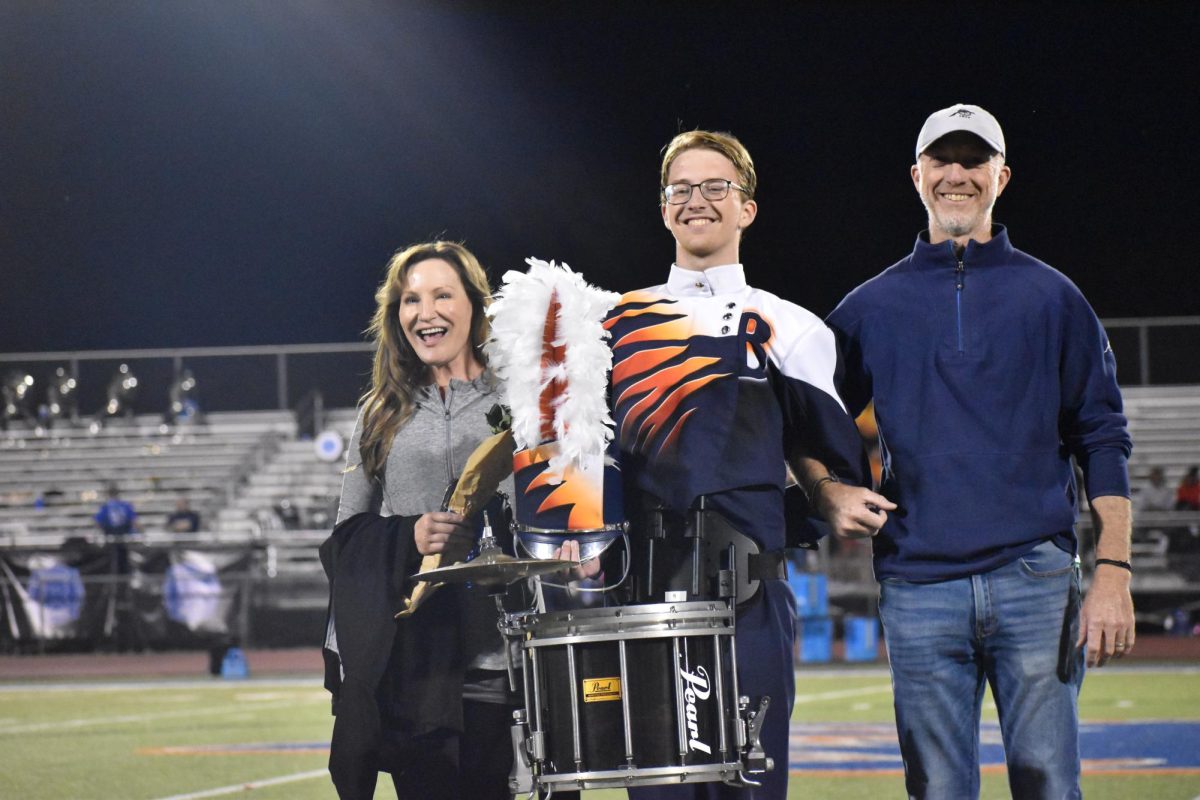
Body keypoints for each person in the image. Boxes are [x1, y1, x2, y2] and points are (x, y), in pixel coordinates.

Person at [816, 103, 1135, 799]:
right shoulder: (870, 306)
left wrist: (1112, 569)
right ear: (916, 175)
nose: (956, 175)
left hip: (1037, 581)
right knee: (937, 790)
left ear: (1002, 175)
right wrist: (825, 489)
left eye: (973, 160)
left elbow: (1102, 437)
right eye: (942, 160)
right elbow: (807, 415)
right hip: (919, 583)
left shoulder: (1054, 299)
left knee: (1050, 784)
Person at [603, 130, 872, 800]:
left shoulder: (791, 328)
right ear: (664, 208)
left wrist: (827, 491)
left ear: (747, 207)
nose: (697, 201)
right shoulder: (611, 324)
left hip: (749, 598)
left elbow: (833, 462)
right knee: (659, 790)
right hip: (645, 598)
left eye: (716, 186)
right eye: (681, 189)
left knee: (749, 789)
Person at [323, 241, 519, 800]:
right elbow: (345, 541)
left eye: (441, 295)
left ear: (475, 307)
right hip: (415, 672)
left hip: (505, 666)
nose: (424, 312)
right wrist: (407, 536)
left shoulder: (522, 397)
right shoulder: (380, 410)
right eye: (410, 299)